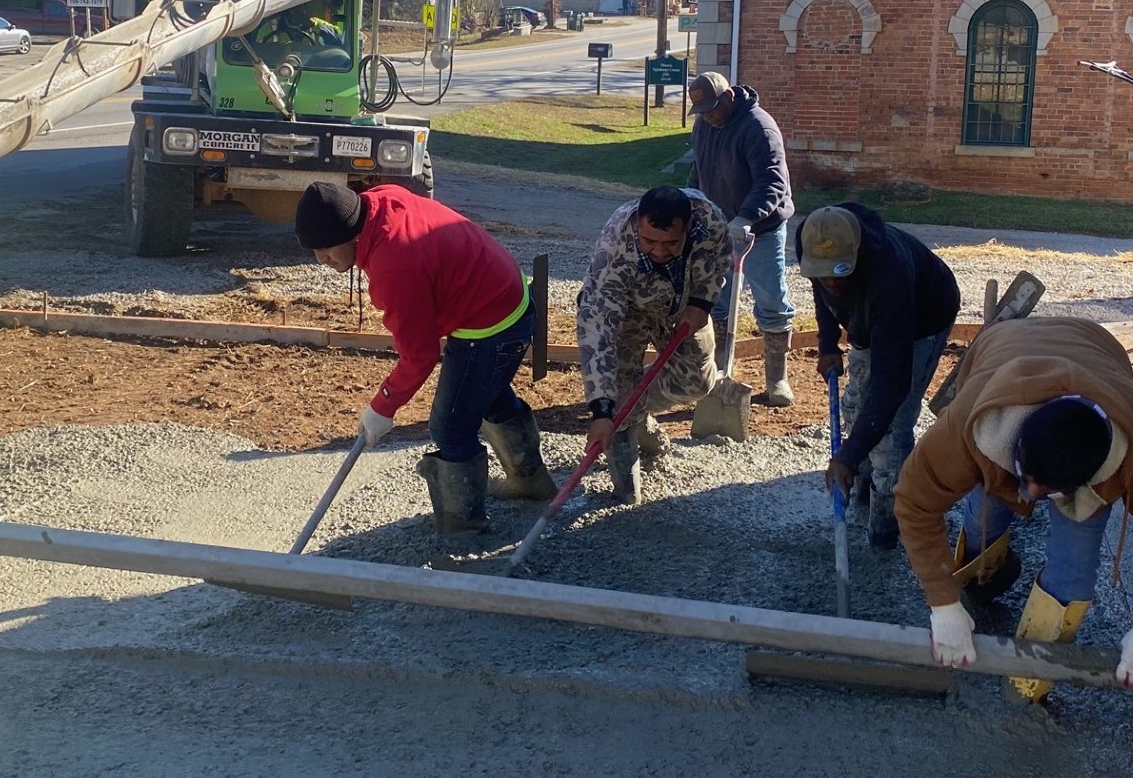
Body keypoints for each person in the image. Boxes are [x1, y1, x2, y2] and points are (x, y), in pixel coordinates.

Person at [895, 317, 1133, 699]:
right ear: (1016, 444)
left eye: (1052, 493)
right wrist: (942, 602)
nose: (1032, 495)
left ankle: (1027, 685)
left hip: (1097, 353)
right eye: (1025, 478)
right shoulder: (972, 424)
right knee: (983, 514)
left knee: (1074, 570)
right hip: (1003, 346)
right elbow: (914, 502)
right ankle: (980, 574)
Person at [294, 181, 553, 537]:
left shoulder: (394, 265)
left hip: (493, 323)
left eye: (326, 248)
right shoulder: (378, 201)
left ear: (353, 234)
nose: (321, 259)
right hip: (504, 293)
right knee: (485, 390)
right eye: (314, 250)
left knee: (450, 425)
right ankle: (531, 481)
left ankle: (464, 531)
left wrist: (382, 407)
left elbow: (420, 355)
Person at [801, 203, 960, 548]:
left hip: (921, 319)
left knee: (890, 430)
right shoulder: (813, 240)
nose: (830, 281)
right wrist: (828, 342)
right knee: (855, 406)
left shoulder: (891, 278)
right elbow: (821, 289)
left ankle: (887, 523)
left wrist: (846, 454)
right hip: (867, 320)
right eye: (822, 271)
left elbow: (891, 381)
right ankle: (861, 484)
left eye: (839, 271)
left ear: (856, 251)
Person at [576, 186, 730, 503]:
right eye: (649, 242)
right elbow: (599, 329)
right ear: (639, 227)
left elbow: (720, 260)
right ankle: (625, 485)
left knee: (697, 381)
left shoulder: (710, 221)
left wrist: (703, 303)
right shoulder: (614, 247)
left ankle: (633, 405)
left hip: (681, 304)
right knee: (616, 398)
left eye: (670, 243)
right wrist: (602, 409)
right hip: (627, 311)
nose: (659, 251)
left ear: (687, 228)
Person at [687, 71, 798, 406]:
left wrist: (746, 217)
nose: (708, 115)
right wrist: (694, 204)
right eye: (702, 111)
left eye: (712, 108)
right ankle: (721, 370)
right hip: (718, 229)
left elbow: (773, 181)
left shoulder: (758, 127)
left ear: (729, 97)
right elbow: (699, 171)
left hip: (760, 230)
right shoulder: (705, 125)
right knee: (717, 301)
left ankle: (777, 378)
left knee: (771, 300)